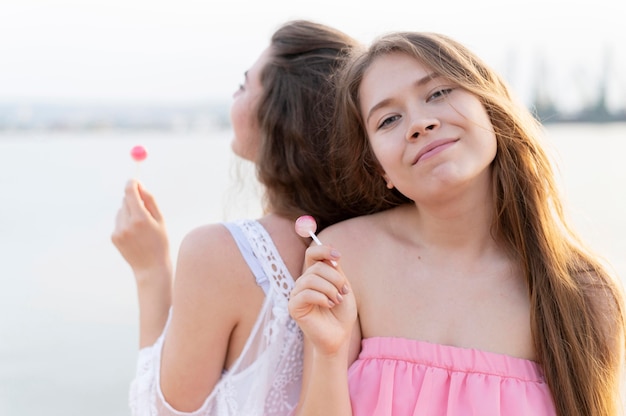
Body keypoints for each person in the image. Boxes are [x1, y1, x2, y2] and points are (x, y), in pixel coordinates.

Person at [288, 31, 626, 416]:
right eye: (389, 120)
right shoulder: (343, 257)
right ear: (380, 168)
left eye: (437, 93)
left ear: (491, 110)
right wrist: (329, 352)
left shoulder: (583, 291)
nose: (419, 123)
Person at [111, 20, 365, 416]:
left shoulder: (219, 253)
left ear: (280, 118)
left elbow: (159, 412)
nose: (234, 93)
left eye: (245, 85)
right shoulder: (376, 242)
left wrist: (151, 271)